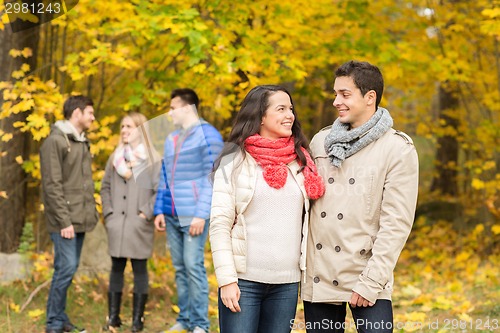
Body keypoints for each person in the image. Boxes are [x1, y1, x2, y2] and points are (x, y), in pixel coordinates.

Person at [301, 60, 419, 333]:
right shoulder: (321, 141)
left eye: (344, 94)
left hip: (366, 272)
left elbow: (396, 224)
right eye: (335, 94)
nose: (336, 102)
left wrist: (372, 281)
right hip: (321, 271)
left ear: (370, 97)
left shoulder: (396, 149)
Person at [209, 85, 326, 333]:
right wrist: (227, 280)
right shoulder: (234, 161)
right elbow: (219, 224)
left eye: (291, 109)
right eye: (281, 109)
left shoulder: (302, 162)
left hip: (287, 284)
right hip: (244, 282)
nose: (290, 115)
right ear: (260, 116)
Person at [154, 88, 223, 333]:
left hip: (193, 213)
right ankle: (184, 320)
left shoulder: (209, 136)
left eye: (173, 108)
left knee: (193, 266)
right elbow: (164, 176)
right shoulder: (172, 138)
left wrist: (200, 214)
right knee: (180, 268)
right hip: (171, 213)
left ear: (186, 108)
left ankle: (200, 325)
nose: (169, 113)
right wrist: (159, 209)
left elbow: (212, 177)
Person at [40, 95, 99, 333]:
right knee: (66, 268)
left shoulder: (81, 141)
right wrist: (64, 221)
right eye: (90, 113)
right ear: (77, 113)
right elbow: (51, 186)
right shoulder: (55, 141)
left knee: (68, 268)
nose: (93, 118)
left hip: (80, 219)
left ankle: (60, 318)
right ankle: (53, 323)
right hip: (64, 222)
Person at [100, 112, 160, 332]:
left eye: (129, 126)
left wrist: (146, 213)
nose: (124, 130)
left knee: (139, 270)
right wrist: (109, 214)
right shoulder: (115, 157)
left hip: (139, 224)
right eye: (122, 126)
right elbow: (105, 187)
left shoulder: (152, 160)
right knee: (116, 268)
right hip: (117, 223)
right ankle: (113, 318)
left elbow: (159, 190)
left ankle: (138, 320)